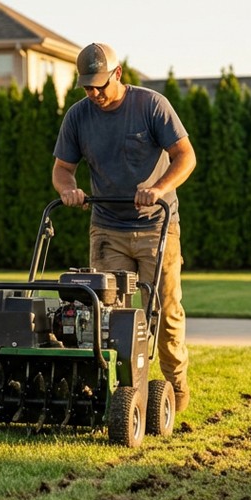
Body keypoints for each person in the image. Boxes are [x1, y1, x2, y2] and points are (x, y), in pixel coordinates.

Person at [52, 42, 197, 413]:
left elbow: (185, 156)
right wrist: (69, 190)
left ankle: (175, 391)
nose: (94, 93)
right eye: (87, 87)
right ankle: (115, 395)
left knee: (164, 312)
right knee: (105, 316)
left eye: (100, 85)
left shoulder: (150, 105)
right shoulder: (78, 116)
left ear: (118, 74)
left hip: (156, 227)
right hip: (107, 228)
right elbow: (62, 169)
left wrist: (158, 188)